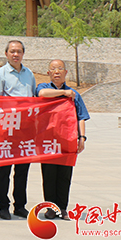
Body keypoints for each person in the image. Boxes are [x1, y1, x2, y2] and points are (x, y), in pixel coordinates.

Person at [37, 60, 90, 220]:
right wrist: (64, 93)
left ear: (66, 72)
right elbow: (42, 94)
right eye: (53, 69)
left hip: (68, 140)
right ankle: (50, 208)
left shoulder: (75, 94)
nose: (57, 71)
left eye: (60, 68)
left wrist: (82, 137)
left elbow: (81, 117)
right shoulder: (43, 87)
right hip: (48, 141)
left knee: (64, 176)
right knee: (49, 175)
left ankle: (62, 208)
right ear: (48, 73)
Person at [0, 39, 36, 220]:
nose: (15, 54)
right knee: (4, 171)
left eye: (19, 51)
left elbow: (33, 98)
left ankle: (20, 205)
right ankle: (3, 206)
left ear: (23, 54)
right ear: (6, 54)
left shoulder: (29, 74)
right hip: (7, 129)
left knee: (22, 170)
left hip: (25, 129)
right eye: (12, 51)